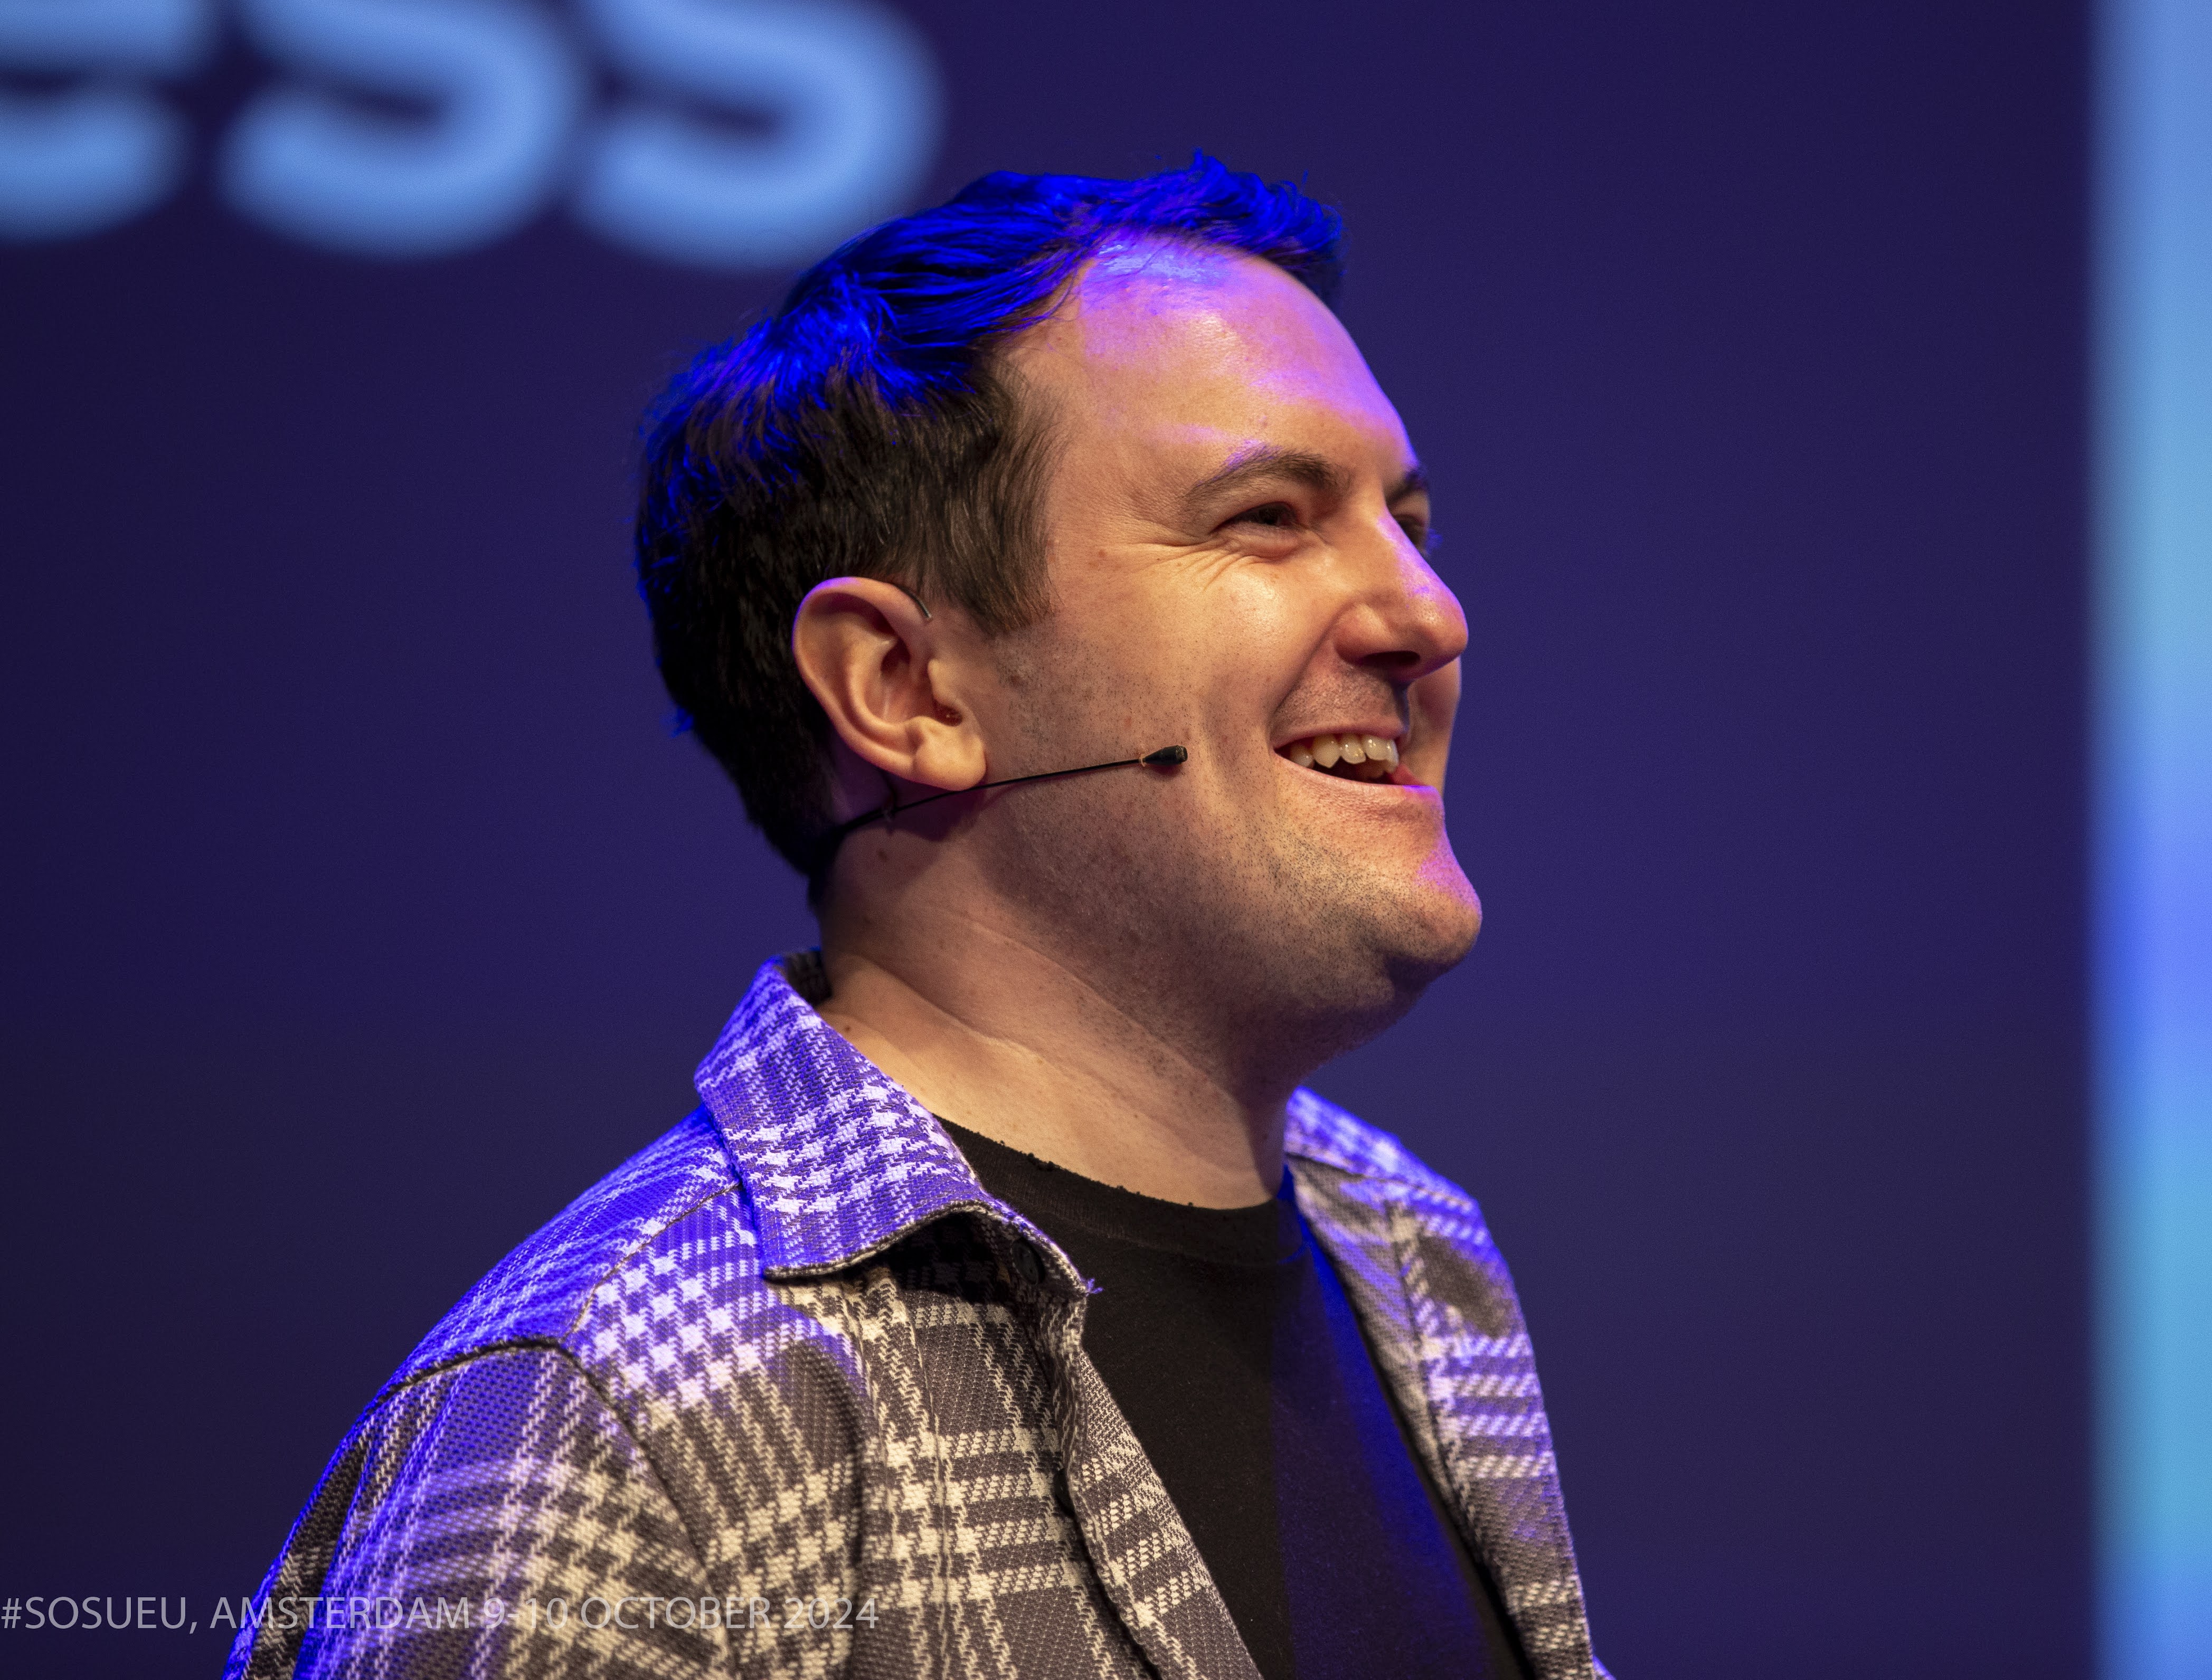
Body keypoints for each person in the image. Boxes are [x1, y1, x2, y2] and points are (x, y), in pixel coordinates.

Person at [228, 157, 1603, 1680]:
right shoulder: (616, 1415)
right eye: (1268, 518)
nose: (1425, 612)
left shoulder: (1418, 1259)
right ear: (905, 690)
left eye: (1406, 521)